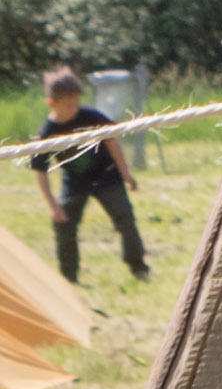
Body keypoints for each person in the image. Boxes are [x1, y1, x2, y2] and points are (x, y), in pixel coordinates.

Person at [32, 66, 144, 284]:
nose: (74, 109)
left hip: (107, 177)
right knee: (64, 226)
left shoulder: (90, 117)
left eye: (76, 103)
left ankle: (138, 266)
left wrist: (125, 173)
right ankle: (69, 277)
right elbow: (40, 172)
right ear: (51, 103)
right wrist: (53, 206)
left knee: (125, 220)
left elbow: (112, 141)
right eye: (68, 105)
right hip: (75, 183)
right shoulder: (47, 133)